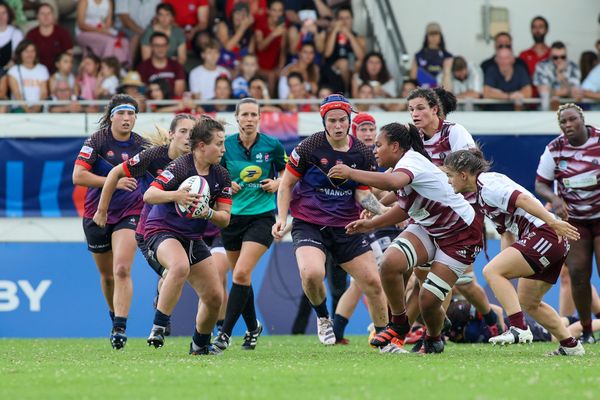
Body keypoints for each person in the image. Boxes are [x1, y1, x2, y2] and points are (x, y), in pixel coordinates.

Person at [329, 122, 483, 354]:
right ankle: (399, 324)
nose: (375, 149)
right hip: (429, 226)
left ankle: (433, 338)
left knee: (428, 301)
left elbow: (392, 183)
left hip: (460, 235)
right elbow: (403, 209)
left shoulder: (410, 162)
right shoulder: (405, 164)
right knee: (390, 264)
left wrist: (350, 173)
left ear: (396, 146)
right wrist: (371, 224)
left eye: (379, 145)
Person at [272, 94, 389, 347]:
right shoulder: (308, 147)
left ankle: (385, 339)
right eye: (332, 120)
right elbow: (286, 185)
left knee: (372, 282)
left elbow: (362, 193)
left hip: (346, 226)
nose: (337, 125)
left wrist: (383, 212)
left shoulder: (362, 153)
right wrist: (281, 218)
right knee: (312, 273)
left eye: (342, 120)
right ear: (324, 121)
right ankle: (324, 318)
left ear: (349, 121)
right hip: (309, 222)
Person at [444, 148, 584, 356]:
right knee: (529, 302)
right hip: (547, 237)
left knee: (491, 271)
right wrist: (504, 270)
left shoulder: (488, 185)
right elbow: (507, 234)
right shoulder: (482, 194)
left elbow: (524, 200)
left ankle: (519, 328)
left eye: (449, 175)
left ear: (463, 175)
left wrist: (553, 222)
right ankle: (570, 345)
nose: (448, 181)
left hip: (545, 234)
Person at [407, 87, 500, 340]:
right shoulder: (412, 138)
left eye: (420, 108)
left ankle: (432, 333)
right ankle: (483, 319)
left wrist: (431, 172)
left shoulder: (454, 132)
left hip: (461, 217)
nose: (415, 114)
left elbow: (472, 164)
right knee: (435, 280)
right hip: (428, 216)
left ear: (435, 109)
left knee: (450, 279)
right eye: (411, 109)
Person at [143, 116, 232, 356]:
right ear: (202, 145)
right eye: (219, 143)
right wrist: (176, 196)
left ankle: (199, 345)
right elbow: (149, 195)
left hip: (193, 238)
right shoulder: (181, 166)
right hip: (161, 230)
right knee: (179, 266)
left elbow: (225, 217)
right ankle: (159, 326)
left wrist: (209, 212)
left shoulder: (222, 175)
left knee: (214, 296)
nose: (224, 149)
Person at [72, 94, 147, 349]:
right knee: (107, 276)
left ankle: (120, 328)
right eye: (122, 113)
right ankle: (114, 314)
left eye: (131, 114)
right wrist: (113, 181)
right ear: (112, 116)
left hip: (130, 212)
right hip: (97, 214)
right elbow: (78, 176)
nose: (127, 119)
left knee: (122, 269)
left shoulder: (142, 146)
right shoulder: (97, 141)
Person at [213, 97, 287, 351]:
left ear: (259, 118)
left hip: (262, 216)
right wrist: (226, 183)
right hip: (232, 217)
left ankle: (223, 334)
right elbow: (215, 174)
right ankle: (253, 327)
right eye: (244, 115)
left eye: (253, 115)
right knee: (240, 278)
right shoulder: (227, 145)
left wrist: (278, 183)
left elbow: (290, 172)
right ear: (236, 118)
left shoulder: (272, 145)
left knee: (242, 273)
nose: (249, 119)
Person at [332, 112, 402, 344]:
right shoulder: (353, 155)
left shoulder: (381, 154)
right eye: (363, 129)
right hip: (364, 221)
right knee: (383, 277)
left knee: (362, 282)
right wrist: (389, 197)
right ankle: (386, 329)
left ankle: (338, 332)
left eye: (372, 129)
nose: (368, 133)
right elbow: (365, 193)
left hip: (379, 220)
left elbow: (380, 191)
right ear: (354, 132)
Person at [535, 103, 600, 344]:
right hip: (575, 221)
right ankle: (587, 330)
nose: (568, 125)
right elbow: (541, 183)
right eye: (563, 122)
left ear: (582, 119)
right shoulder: (555, 149)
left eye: (572, 119)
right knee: (578, 274)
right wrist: (554, 198)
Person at [75, 0, 130, 66]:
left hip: (102, 33)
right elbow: (81, 25)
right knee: (110, 41)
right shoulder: (84, 1)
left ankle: (123, 67)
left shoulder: (108, 2)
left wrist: (105, 30)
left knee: (124, 41)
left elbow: (108, 23)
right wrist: (99, 30)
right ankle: (105, 67)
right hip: (84, 33)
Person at [24, 2, 73, 74]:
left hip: (59, 74)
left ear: (53, 15)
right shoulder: (31, 34)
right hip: (37, 74)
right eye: (42, 14)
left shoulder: (63, 33)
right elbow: (26, 56)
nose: (46, 16)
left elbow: (69, 54)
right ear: (37, 16)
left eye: (49, 13)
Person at [534, 41, 582, 110]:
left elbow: (575, 93)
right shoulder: (542, 66)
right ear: (550, 55)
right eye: (555, 57)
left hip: (570, 110)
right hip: (546, 109)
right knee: (551, 99)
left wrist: (563, 78)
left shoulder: (573, 66)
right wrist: (567, 91)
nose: (559, 60)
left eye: (563, 57)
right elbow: (543, 91)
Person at [137, 32, 186, 99]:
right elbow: (143, 92)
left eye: (163, 45)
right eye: (157, 45)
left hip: (173, 105)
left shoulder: (177, 66)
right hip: (151, 105)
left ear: (168, 46)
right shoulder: (143, 67)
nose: (160, 49)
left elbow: (178, 93)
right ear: (151, 46)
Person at [7, 39, 49, 113]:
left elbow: (44, 93)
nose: (30, 54)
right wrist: (27, 110)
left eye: (32, 51)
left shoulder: (42, 69)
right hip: (19, 108)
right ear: (20, 53)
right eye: (26, 51)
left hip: (39, 108)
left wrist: (37, 108)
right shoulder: (13, 71)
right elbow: (17, 94)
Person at [409, 22, 452, 88]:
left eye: (436, 34)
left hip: (441, 92)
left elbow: (451, 79)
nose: (434, 37)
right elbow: (413, 79)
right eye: (431, 34)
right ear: (427, 37)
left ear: (440, 36)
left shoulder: (448, 56)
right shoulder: (418, 56)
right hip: (422, 92)